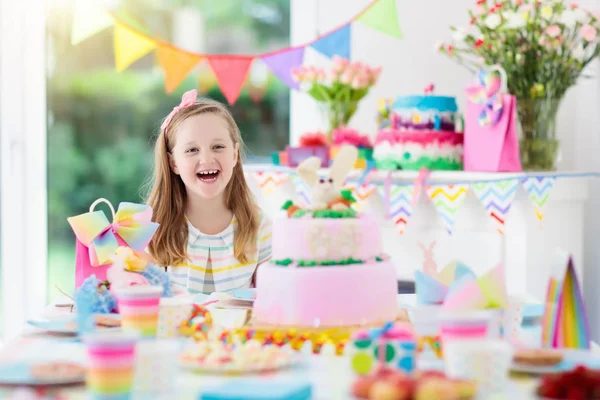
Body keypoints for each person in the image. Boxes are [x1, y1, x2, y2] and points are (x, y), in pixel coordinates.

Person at [145, 89, 272, 294]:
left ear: (234, 155)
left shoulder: (259, 227)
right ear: (173, 162)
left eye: (218, 146)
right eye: (192, 150)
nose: (206, 159)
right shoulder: (151, 230)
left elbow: (272, 298)